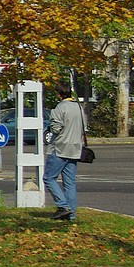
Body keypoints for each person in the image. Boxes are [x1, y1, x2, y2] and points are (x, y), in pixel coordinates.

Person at [44, 81, 85, 221]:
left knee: (49, 178)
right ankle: (71, 215)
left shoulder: (59, 108)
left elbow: (56, 129)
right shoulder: (79, 107)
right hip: (75, 148)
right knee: (69, 182)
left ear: (59, 94)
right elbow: (84, 128)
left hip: (60, 147)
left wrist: (51, 126)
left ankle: (63, 206)